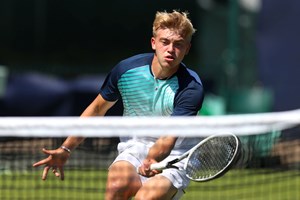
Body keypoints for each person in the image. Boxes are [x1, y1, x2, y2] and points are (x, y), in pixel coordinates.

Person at [33, 10, 204, 200]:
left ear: (187, 48)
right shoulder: (127, 71)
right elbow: (97, 109)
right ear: (153, 43)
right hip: (135, 146)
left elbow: (168, 138)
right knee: (116, 186)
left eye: (178, 44)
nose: (171, 49)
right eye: (165, 42)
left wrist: (152, 159)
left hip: (175, 156)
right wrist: (66, 148)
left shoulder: (191, 87)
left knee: (146, 198)